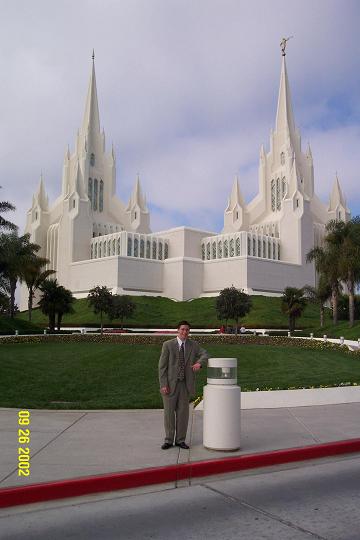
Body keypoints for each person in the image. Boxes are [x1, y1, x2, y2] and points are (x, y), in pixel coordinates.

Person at [158, 320, 209, 450]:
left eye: (187, 330)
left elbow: (205, 354)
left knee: (183, 414)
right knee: (169, 413)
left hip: (185, 385)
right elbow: (162, 367)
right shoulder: (168, 345)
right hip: (170, 385)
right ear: (178, 330)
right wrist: (163, 384)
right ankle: (168, 440)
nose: (184, 332)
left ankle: (180, 440)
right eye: (182, 329)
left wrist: (199, 363)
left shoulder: (193, 345)